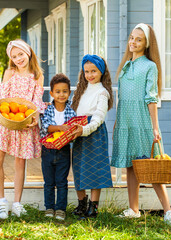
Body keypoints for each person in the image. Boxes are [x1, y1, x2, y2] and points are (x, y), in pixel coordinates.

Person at [111, 23, 171, 226]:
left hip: (142, 120)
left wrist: (155, 127)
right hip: (126, 119)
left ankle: (168, 211)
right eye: (132, 38)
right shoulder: (126, 65)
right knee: (132, 166)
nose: (133, 42)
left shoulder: (150, 66)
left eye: (138, 39)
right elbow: (122, 97)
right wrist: (117, 121)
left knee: (150, 165)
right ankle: (133, 209)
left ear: (147, 43)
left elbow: (151, 98)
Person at [0, 39, 46, 219]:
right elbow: (3, 97)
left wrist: (35, 116)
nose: (18, 59)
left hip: (24, 122)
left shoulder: (37, 76)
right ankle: (1, 202)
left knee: (19, 162)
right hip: (6, 120)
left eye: (20, 54)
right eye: (14, 56)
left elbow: (37, 101)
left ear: (28, 53)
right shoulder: (10, 72)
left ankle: (16, 203)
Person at [70, 54, 113, 219]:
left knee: (94, 169)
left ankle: (93, 207)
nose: (90, 75)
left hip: (93, 133)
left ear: (101, 71)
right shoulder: (82, 90)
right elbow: (74, 112)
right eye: (86, 71)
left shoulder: (102, 92)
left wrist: (85, 129)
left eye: (93, 71)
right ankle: (82, 203)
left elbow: (98, 117)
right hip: (78, 132)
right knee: (79, 167)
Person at [40, 73, 76, 221]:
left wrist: (67, 130)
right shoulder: (48, 110)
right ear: (52, 93)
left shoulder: (71, 111)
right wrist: (61, 128)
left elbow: (73, 129)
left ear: (69, 92)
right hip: (48, 150)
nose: (61, 95)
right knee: (49, 182)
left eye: (65, 91)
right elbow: (46, 127)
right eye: (58, 91)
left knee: (61, 182)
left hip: (64, 151)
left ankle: (60, 209)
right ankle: (49, 207)